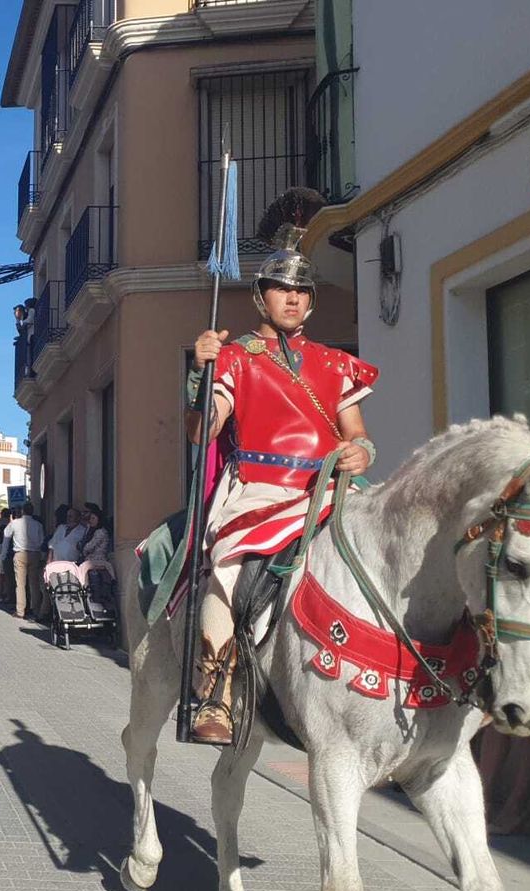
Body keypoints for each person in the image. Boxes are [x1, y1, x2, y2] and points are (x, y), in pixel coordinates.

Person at [184, 219, 378, 745]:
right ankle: (216, 693)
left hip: (328, 489)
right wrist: (201, 373)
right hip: (260, 489)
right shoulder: (235, 358)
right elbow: (204, 430)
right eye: (282, 289)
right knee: (226, 568)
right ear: (261, 296)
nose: (292, 299)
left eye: (301, 291)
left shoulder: (338, 364)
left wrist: (360, 451)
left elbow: (355, 433)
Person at [1, 504, 47, 620]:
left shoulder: (15, 523)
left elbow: (6, 538)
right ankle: (35, 609)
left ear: (22, 511)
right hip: (35, 554)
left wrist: (3, 555)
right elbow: (42, 541)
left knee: (20, 584)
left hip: (20, 554)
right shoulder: (38, 525)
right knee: (34, 583)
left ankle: (20, 611)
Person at [78, 503, 116, 612]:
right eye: (90, 518)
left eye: (93, 518)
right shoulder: (91, 531)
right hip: (90, 560)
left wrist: (83, 546)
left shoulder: (100, 532)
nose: (91, 520)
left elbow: (87, 547)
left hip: (98, 561)